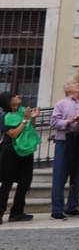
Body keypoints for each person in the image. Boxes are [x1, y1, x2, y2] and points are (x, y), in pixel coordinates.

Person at [50, 80, 79, 220]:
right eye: (75, 85)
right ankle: (57, 209)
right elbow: (54, 122)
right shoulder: (61, 103)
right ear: (68, 90)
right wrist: (69, 121)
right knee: (60, 176)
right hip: (64, 142)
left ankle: (72, 206)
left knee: (78, 176)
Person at [0, 92, 41, 223]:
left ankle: (17, 212)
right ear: (9, 101)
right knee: (6, 184)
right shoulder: (5, 116)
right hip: (10, 153)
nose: (19, 97)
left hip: (26, 151)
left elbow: (31, 129)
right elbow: (13, 134)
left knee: (24, 183)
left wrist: (33, 118)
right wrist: (25, 120)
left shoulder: (23, 110)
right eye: (15, 96)